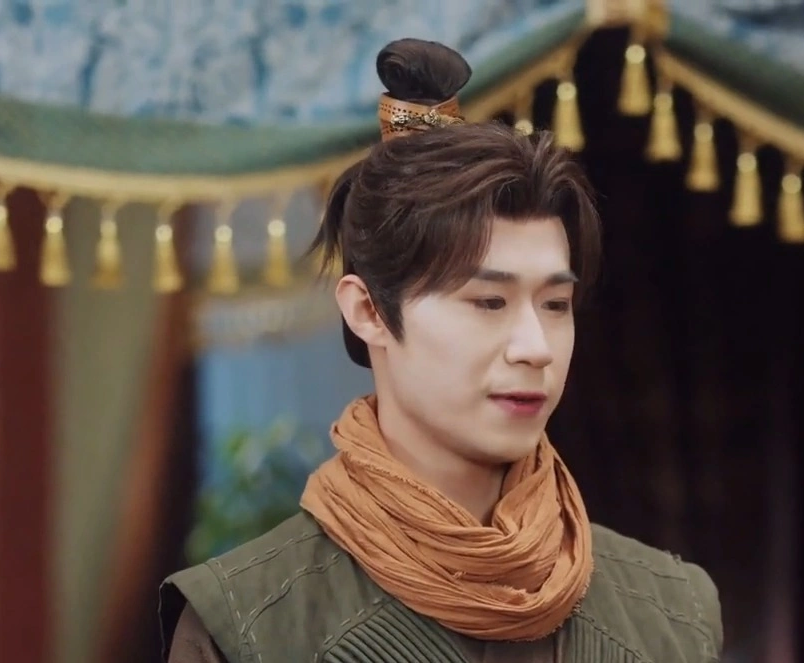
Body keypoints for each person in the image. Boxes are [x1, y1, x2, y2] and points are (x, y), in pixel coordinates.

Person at [159, 37, 723, 663]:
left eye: (556, 304)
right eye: (489, 302)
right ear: (369, 311)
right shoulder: (249, 621)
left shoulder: (672, 613)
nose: (535, 348)